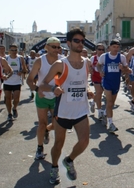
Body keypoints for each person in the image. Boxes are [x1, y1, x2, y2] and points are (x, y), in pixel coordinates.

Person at [39, 28, 94, 185]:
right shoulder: (60, 64)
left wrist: (88, 90)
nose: (80, 44)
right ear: (69, 43)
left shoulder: (86, 63)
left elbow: (85, 83)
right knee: (58, 144)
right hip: (63, 111)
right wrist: (53, 89)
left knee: (84, 141)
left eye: (82, 41)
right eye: (76, 41)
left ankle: (69, 160)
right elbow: (42, 84)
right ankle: (54, 166)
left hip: (81, 110)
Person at [27, 37, 62, 160]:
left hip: (57, 96)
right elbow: (29, 80)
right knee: (41, 124)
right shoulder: (39, 61)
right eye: (53, 47)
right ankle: (39, 147)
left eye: (58, 47)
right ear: (46, 47)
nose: (56, 49)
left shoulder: (62, 61)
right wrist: (38, 90)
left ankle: (47, 130)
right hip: (42, 96)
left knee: (56, 124)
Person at [97, 39, 130, 133]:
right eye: (114, 47)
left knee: (111, 104)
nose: (116, 49)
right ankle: (111, 123)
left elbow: (127, 70)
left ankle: (104, 113)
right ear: (110, 47)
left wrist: (122, 68)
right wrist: (100, 72)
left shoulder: (121, 57)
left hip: (116, 82)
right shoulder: (104, 56)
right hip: (107, 81)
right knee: (110, 102)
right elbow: (98, 65)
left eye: (117, 47)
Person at [3, 44, 27, 121]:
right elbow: (0, 69)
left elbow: (25, 69)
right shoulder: (5, 58)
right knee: (8, 98)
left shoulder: (20, 58)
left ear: (17, 51)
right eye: (12, 50)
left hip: (17, 82)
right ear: (9, 51)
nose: (14, 52)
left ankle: (14, 108)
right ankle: (9, 113)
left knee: (16, 99)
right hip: (7, 81)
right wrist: (4, 72)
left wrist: (21, 71)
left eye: (15, 50)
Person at [89, 43, 105, 120]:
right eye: (99, 49)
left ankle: (93, 102)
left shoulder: (105, 58)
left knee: (99, 93)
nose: (101, 51)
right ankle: (99, 111)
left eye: (102, 50)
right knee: (99, 93)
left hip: (104, 78)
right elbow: (89, 67)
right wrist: (90, 70)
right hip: (96, 77)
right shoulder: (93, 58)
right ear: (96, 50)